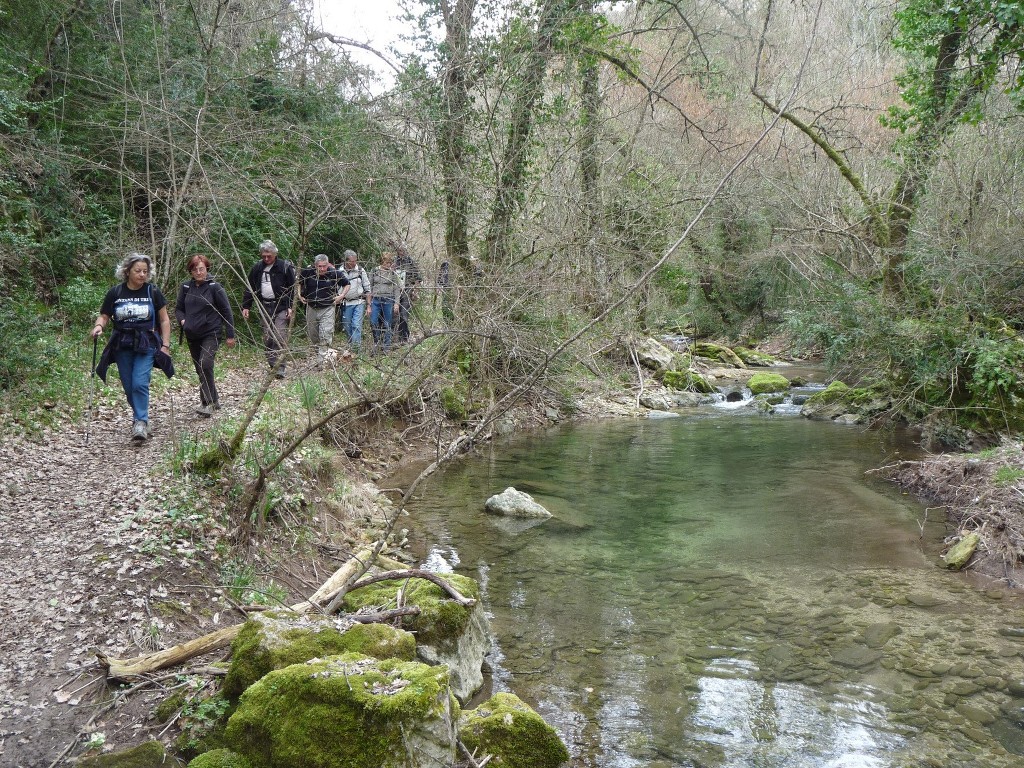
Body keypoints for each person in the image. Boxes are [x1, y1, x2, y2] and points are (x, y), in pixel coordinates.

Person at [91, 253, 173, 441]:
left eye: (145, 271)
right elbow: (104, 315)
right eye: (138, 271)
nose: (142, 275)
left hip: (147, 343)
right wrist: (98, 326)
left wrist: (165, 345)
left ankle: (141, 421)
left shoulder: (152, 291)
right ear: (127, 271)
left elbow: (165, 320)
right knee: (129, 387)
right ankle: (140, 418)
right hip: (122, 343)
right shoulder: (116, 293)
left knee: (139, 382)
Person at [175, 254, 236, 417]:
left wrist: (230, 334)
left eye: (201, 269)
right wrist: (183, 321)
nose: (198, 272)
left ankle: (207, 403)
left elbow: (226, 311)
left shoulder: (215, 287)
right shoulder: (186, 287)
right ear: (191, 271)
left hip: (212, 332)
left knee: (205, 363)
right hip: (192, 334)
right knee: (200, 368)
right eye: (195, 269)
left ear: (207, 268)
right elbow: (179, 308)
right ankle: (214, 400)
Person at [241, 240, 296, 378]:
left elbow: (292, 288)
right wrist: (246, 306)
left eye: (269, 256)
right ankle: (273, 365)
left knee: (279, 335)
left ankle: (280, 368)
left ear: (275, 254)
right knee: (268, 338)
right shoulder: (257, 268)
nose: (266, 258)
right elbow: (250, 287)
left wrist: (290, 306)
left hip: (281, 306)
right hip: (264, 306)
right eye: (263, 256)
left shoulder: (285, 267)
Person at [299, 253, 348, 363]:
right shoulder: (308, 273)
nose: (322, 269)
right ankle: (320, 356)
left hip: (328, 308)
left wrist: (341, 296)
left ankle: (322, 361)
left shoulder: (334, 273)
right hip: (311, 307)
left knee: (325, 334)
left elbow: (347, 284)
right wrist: (299, 295)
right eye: (319, 266)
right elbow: (299, 282)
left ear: (328, 264)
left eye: (324, 266)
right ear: (315, 265)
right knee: (313, 335)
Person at [368, 251, 401, 354]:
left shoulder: (392, 273)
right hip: (376, 299)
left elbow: (396, 289)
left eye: (390, 262)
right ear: (382, 261)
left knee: (388, 323)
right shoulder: (374, 271)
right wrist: (368, 304)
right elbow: (369, 287)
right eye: (386, 262)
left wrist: (396, 303)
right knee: (373, 322)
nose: (388, 264)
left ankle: (386, 346)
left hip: (388, 299)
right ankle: (377, 343)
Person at [339, 249, 370, 353]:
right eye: (351, 261)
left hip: (359, 302)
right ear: (346, 261)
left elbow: (367, 287)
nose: (354, 263)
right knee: (347, 326)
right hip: (345, 303)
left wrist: (369, 305)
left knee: (356, 325)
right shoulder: (339, 271)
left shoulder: (360, 270)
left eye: (355, 261)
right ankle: (351, 347)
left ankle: (356, 351)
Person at [391, 242, 422, 343]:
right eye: (400, 250)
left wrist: (416, 292)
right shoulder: (393, 261)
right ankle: (395, 338)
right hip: (394, 291)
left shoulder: (410, 262)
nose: (402, 252)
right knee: (394, 315)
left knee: (404, 315)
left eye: (403, 250)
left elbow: (418, 278)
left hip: (407, 291)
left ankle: (404, 337)